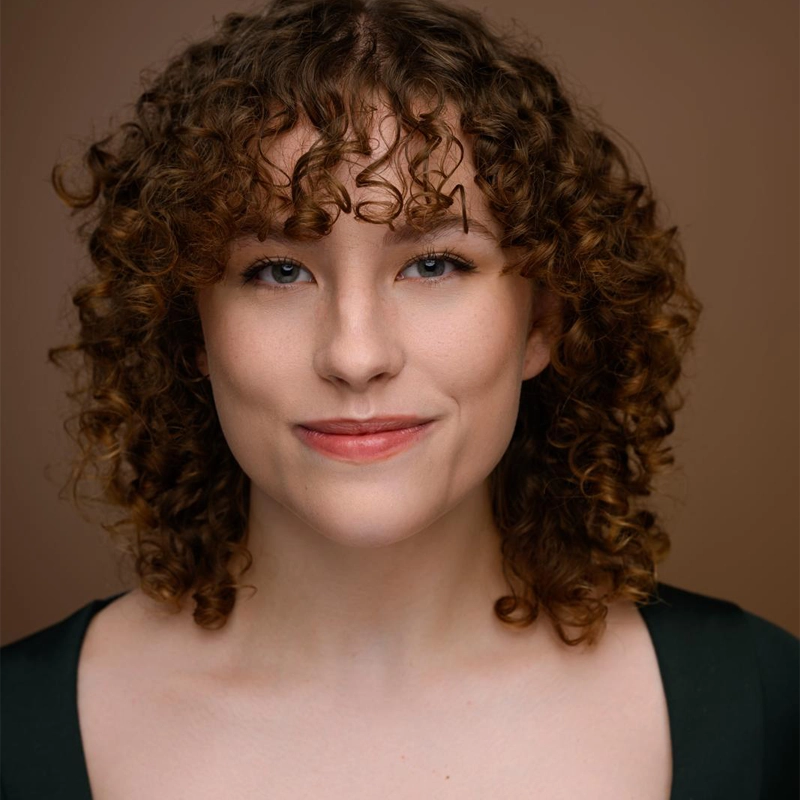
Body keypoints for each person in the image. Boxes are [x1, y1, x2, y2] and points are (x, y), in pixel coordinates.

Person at [1, 0, 797, 797]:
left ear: (542, 320)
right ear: (191, 330)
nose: (356, 354)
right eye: (278, 270)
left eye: (435, 265)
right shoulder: (19, 729)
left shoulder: (766, 708)